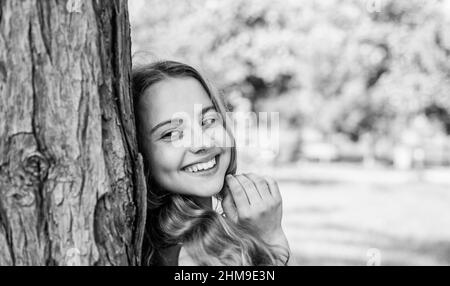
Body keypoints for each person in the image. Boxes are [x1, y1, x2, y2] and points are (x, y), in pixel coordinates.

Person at [132, 60, 294, 266]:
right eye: (172, 133)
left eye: (207, 121)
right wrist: (271, 239)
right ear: (139, 153)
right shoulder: (195, 258)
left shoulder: (173, 239)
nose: (203, 143)